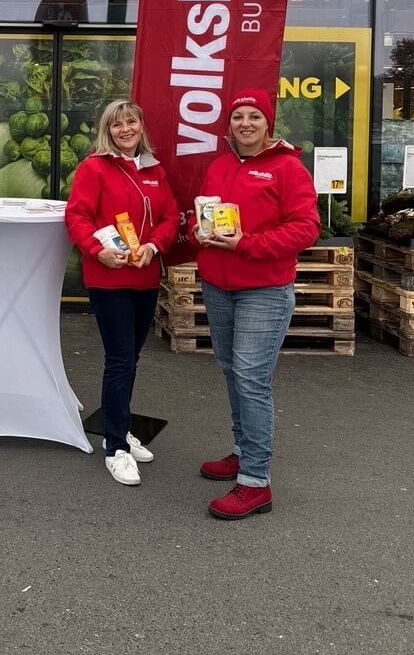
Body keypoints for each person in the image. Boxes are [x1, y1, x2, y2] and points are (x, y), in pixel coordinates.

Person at [196, 88, 320, 521]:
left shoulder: (287, 168)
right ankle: (242, 450)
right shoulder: (219, 166)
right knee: (232, 371)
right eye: (238, 117)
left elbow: (305, 228)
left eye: (254, 117)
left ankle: (255, 482)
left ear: (268, 124)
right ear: (229, 125)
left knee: (251, 379)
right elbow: (207, 216)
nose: (245, 124)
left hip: (263, 289)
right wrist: (200, 234)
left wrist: (246, 244)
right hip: (218, 285)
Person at [65, 99, 180, 486]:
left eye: (131, 122)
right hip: (108, 278)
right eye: (117, 124)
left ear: (141, 127)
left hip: (144, 278)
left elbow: (169, 217)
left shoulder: (154, 170)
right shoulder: (94, 168)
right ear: (107, 130)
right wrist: (97, 251)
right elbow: (77, 216)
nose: (125, 129)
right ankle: (115, 447)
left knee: (131, 358)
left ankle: (120, 426)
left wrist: (154, 246)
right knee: (119, 360)